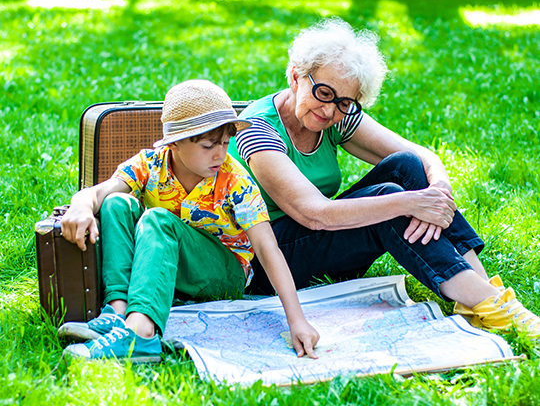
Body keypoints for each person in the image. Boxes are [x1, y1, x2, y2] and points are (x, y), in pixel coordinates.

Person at [228, 18, 540, 337]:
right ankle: (490, 303)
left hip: (309, 243)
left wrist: (439, 190)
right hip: (263, 260)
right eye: (323, 92)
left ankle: (482, 294)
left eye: (344, 102)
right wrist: (410, 202)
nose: (329, 110)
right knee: (388, 203)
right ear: (296, 76)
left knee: (404, 166)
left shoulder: (335, 115)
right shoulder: (258, 129)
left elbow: (420, 157)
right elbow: (314, 214)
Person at [58, 79, 319, 362]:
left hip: (223, 273)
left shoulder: (235, 181)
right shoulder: (151, 164)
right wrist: (81, 204)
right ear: (175, 144)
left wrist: (297, 320)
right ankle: (117, 313)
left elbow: (269, 250)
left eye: (224, 142)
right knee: (117, 202)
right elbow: (100, 192)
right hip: (167, 260)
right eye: (208, 145)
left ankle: (141, 334)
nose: (220, 153)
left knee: (159, 219)